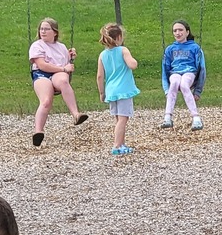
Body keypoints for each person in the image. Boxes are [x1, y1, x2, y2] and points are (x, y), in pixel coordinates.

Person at [28, 17, 89, 148]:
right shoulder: (37, 45)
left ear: (54, 32)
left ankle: (76, 114)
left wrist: (70, 57)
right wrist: (63, 68)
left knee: (63, 81)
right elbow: (42, 65)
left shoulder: (61, 47)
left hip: (58, 75)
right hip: (41, 74)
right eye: (41, 29)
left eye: (46, 29)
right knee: (46, 101)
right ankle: (38, 131)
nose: (43, 31)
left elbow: (65, 62)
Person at [97, 22, 140, 156]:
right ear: (119, 37)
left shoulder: (102, 55)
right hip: (123, 90)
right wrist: (134, 61)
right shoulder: (123, 50)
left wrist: (102, 92)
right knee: (123, 119)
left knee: (118, 119)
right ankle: (116, 145)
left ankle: (121, 143)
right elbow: (132, 65)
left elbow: (99, 76)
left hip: (111, 90)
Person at [160, 20, 206, 131]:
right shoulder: (170, 49)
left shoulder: (195, 48)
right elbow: (165, 70)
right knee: (175, 82)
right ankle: (167, 117)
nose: (177, 33)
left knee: (184, 84)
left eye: (180, 30)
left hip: (190, 72)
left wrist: (198, 91)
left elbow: (202, 69)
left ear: (187, 32)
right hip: (175, 73)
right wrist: (166, 89)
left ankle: (196, 118)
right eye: (175, 30)